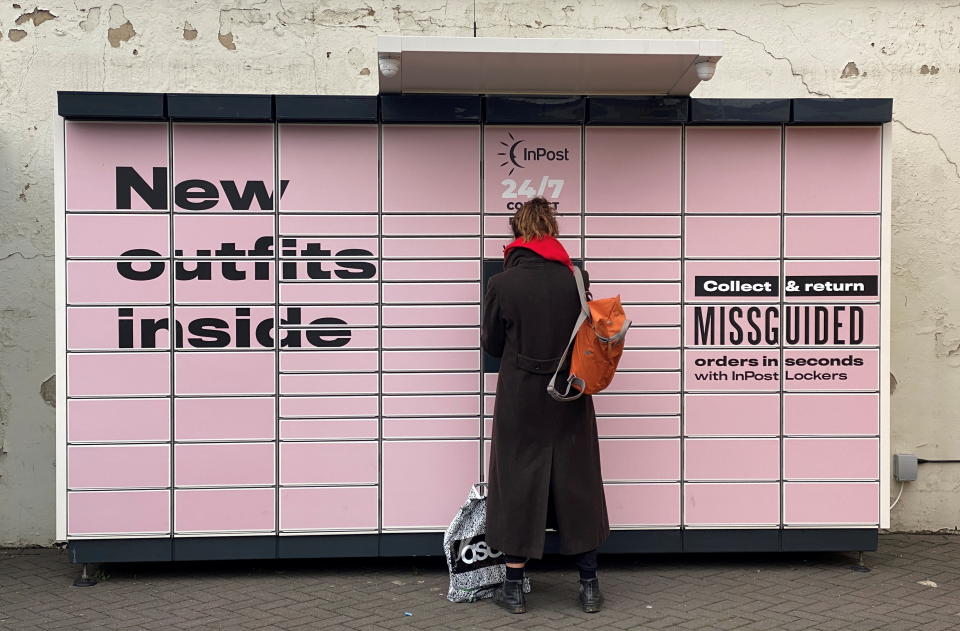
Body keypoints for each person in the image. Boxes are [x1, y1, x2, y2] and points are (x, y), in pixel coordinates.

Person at [481, 197, 610, 614]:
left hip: (521, 397)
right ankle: (589, 586)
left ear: (516, 234)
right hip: (569, 394)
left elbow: (492, 345)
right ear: (552, 229)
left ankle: (514, 587)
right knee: (578, 482)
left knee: (517, 481)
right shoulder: (575, 276)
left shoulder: (503, 283)